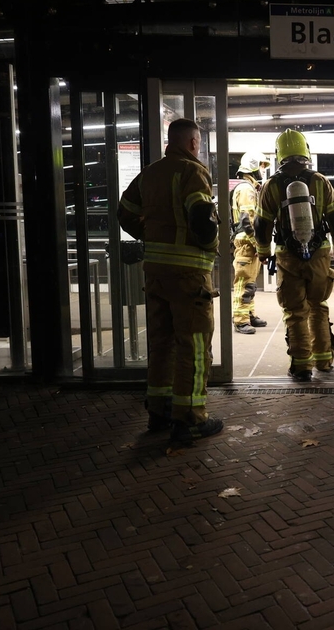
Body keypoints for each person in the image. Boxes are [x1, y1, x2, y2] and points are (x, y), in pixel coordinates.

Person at [117, 118, 223, 444]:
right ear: (193, 143)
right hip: (188, 275)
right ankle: (190, 418)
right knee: (194, 346)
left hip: (156, 273)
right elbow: (202, 218)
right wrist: (209, 246)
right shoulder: (193, 171)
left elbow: (124, 212)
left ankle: (159, 412)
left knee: (161, 343)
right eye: (199, 144)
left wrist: (149, 236)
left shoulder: (150, 172)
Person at [254, 129, 334, 382]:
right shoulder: (320, 181)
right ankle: (325, 360)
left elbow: (261, 223)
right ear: (304, 151)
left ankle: (301, 366)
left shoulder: (272, 185)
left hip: (287, 256)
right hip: (319, 255)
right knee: (319, 306)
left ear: (279, 153)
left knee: (295, 311)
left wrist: (263, 252)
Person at [230, 151, 271, 335]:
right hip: (247, 243)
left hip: (249, 243)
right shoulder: (246, 189)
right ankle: (240, 320)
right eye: (261, 166)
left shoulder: (248, 187)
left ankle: (249, 314)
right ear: (253, 167)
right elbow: (248, 220)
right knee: (244, 283)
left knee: (250, 282)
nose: (263, 170)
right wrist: (258, 243)